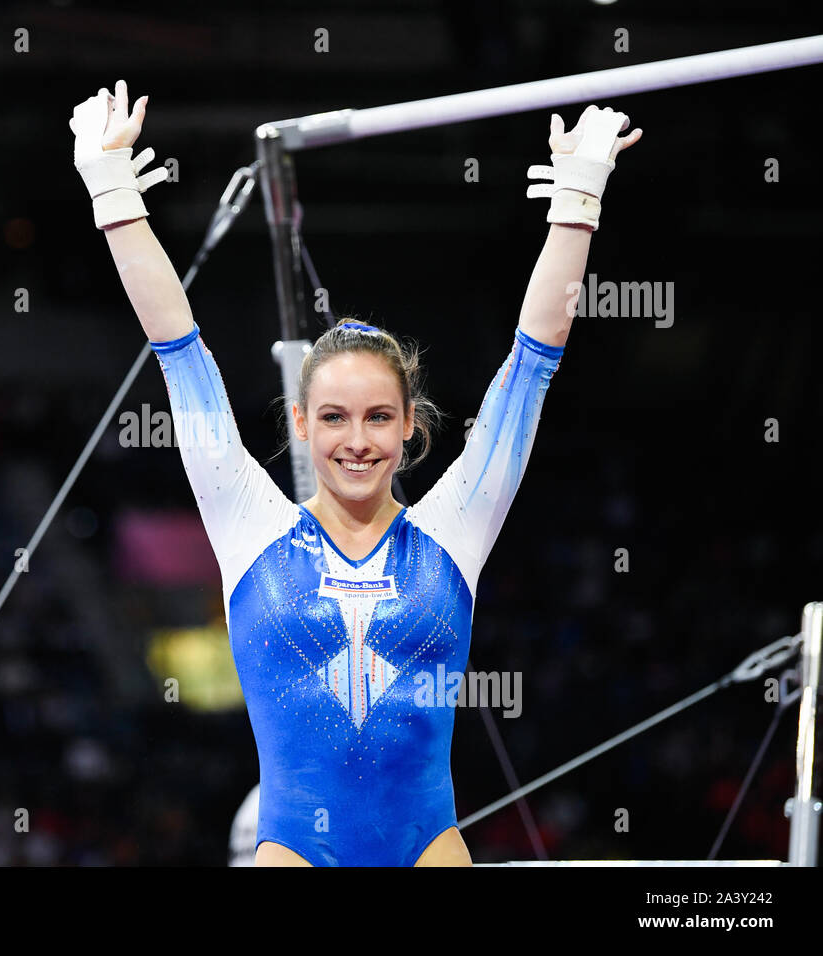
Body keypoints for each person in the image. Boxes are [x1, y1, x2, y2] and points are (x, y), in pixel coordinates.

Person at [71, 80, 641, 866]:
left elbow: (533, 362)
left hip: (428, 849)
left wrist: (576, 203)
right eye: (334, 418)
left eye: (379, 417)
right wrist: (113, 191)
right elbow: (177, 348)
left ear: (411, 428)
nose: (357, 441)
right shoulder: (250, 527)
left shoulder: (453, 531)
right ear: (302, 425)